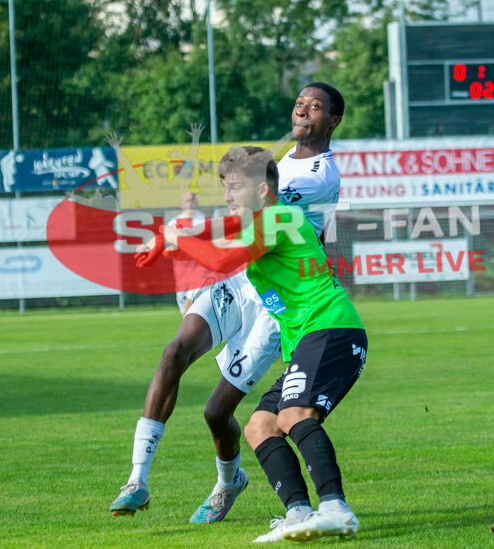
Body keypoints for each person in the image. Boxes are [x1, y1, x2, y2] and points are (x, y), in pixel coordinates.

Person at [109, 83, 344, 525]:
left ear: (332, 121)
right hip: (241, 279)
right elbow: (240, 216)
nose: (302, 111)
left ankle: (229, 481)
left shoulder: (319, 175)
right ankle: (136, 480)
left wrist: (178, 235)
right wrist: (172, 235)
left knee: (217, 412)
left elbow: (247, 219)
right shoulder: (284, 162)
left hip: (275, 301)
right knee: (173, 353)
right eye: (299, 103)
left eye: (315, 107)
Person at [158, 146, 366, 543]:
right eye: (225, 187)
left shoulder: (279, 218)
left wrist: (175, 237)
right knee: (260, 426)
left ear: (262, 191)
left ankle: (335, 508)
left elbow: (220, 261)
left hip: (331, 330)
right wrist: (165, 240)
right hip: (311, 338)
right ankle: (298, 512)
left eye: (234, 187)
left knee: (294, 414)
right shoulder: (263, 222)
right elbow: (217, 232)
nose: (227, 196)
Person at [169, 191, 208, 315]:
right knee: (185, 313)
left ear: (197, 203)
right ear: (181, 204)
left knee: (200, 310)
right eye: (187, 201)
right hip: (183, 274)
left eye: (192, 201)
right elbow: (169, 245)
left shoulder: (206, 221)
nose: (190, 204)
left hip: (203, 273)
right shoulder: (174, 223)